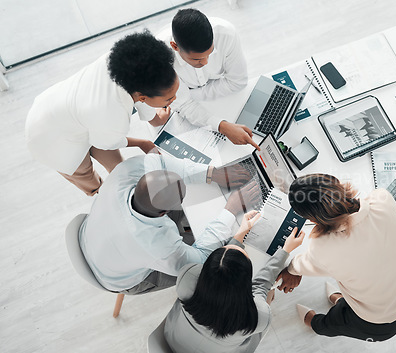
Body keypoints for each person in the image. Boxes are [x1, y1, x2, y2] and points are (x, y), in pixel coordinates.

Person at [79, 152, 259, 294]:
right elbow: (201, 260)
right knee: (214, 266)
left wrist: (212, 173)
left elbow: (162, 163)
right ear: (164, 213)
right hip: (114, 278)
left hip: (91, 235)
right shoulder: (157, 246)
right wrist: (230, 210)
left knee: (198, 226)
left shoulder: (126, 170)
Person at [25, 30, 178, 196]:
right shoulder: (113, 115)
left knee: (118, 166)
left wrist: (155, 119)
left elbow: (107, 135)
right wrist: (143, 143)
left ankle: (124, 185)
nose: (174, 99)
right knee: (86, 175)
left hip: (63, 105)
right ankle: (100, 193)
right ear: (142, 96)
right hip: (50, 138)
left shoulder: (125, 63)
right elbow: (106, 143)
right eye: (169, 99)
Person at [277, 174, 396, 342]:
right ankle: (342, 301)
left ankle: (315, 324)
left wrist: (291, 270)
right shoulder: (383, 199)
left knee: (331, 324)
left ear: (311, 219)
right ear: (338, 186)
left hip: (378, 324)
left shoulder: (324, 247)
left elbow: (304, 264)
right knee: (357, 288)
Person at [163, 213, 305, 353]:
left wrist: (241, 233)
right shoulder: (259, 316)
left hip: (174, 341)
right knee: (269, 293)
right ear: (246, 283)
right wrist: (285, 250)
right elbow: (261, 286)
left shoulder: (186, 277)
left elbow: (221, 268)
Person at [154, 8, 260, 150]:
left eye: (210, 54)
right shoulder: (156, 57)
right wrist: (223, 126)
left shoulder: (226, 34)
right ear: (175, 46)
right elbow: (183, 106)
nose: (205, 63)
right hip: (197, 111)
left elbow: (238, 82)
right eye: (196, 59)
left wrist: (185, 97)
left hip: (219, 100)